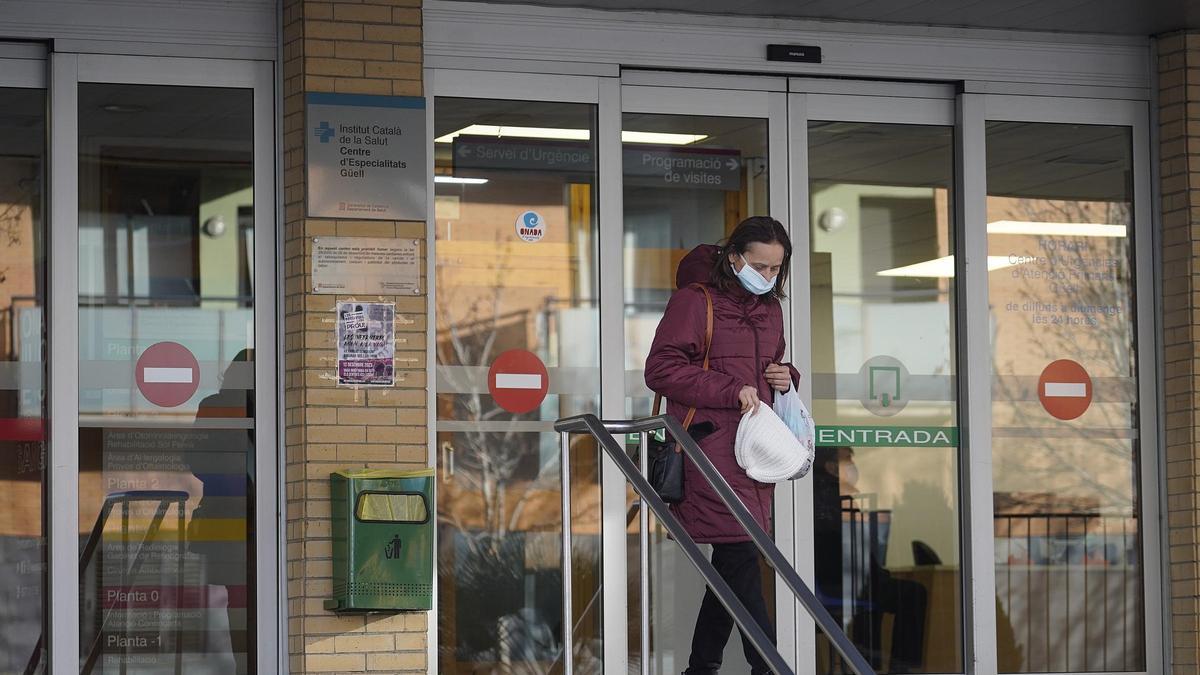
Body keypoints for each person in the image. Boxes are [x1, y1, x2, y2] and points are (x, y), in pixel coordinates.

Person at [645, 216, 801, 675]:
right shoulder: (696, 302)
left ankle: (701, 667)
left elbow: (769, 369)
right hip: (706, 450)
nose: (768, 277)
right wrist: (729, 388)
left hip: (755, 452)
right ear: (734, 258)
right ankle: (768, 666)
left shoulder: (770, 309)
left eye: (776, 269)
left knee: (735, 563)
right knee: (739, 554)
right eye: (760, 266)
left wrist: (785, 377)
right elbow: (661, 370)